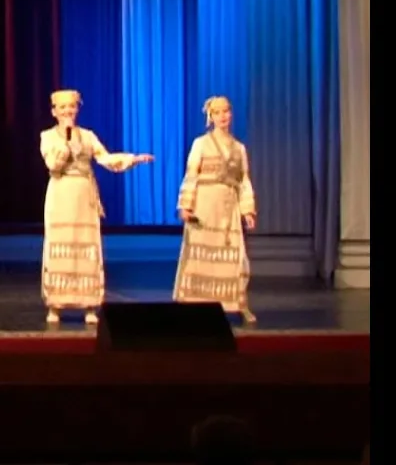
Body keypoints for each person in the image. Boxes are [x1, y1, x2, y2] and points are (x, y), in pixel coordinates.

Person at [39, 89, 152, 324]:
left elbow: (105, 158)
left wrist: (132, 159)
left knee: (86, 244)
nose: (68, 111)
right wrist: (66, 142)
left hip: (84, 195)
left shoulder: (88, 136)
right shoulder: (48, 136)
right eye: (63, 107)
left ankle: (89, 304)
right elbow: (53, 165)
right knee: (61, 243)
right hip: (61, 193)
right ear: (54, 112)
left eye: (72, 107)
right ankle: (56, 305)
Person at [174, 96, 258, 323]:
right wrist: (185, 205)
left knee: (234, 254)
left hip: (228, 207)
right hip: (205, 205)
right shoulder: (201, 143)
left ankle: (238, 303)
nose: (223, 116)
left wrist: (247, 210)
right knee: (201, 254)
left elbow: (243, 180)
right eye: (217, 112)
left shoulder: (239, 148)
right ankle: (195, 302)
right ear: (210, 117)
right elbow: (191, 174)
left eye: (226, 111)